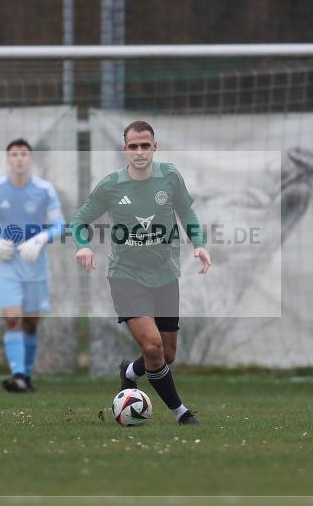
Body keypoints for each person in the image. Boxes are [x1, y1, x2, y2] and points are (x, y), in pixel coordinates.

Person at [70, 120, 211, 425]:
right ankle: (181, 413)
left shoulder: (170, 176)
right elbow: (80, 222)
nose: (139, 152)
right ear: (125, 149)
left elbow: (187, 212)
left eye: (145, 145)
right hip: (126, 276)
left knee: (166, 355)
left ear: (154, 147)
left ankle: (130, 372)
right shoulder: (111, 185)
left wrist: (199, 244)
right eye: (133, 146)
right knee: (152, 346)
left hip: (165, 275)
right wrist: (83, 246)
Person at [0, 139, 65, 393]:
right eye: (14, 154)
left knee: (30, 323)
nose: (19, 159)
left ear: (30, 159)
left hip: (35, 265)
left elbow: (60, 225)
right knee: (13, 319)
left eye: (23, 154)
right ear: (8, 159)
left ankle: (25, 377)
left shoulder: (44, 189)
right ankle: (17, 375)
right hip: (6, 264)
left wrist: (39, 239)